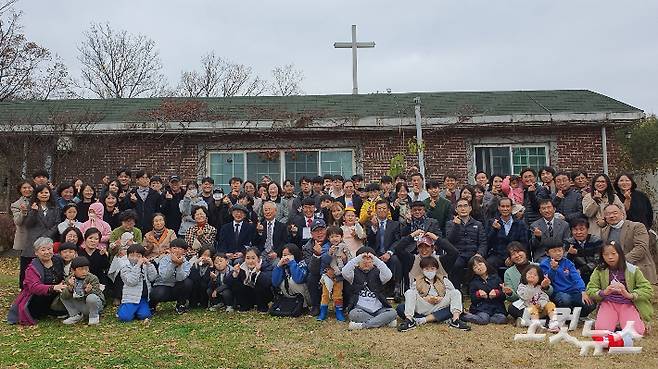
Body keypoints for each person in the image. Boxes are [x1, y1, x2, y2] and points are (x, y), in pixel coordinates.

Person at [586, 241, 654, 336]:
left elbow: (647, 289)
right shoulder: (599, 270)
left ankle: (622, 322)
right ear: (602, 256)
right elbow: (590, 289)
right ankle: (614, 322)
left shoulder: (632, 269)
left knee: (636, 332)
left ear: (620, 254)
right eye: (606, 254)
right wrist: (604, 292)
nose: (610, 257)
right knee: (602, 331)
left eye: (613, 254)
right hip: (608, 303)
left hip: (627, 303)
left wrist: (630, 295)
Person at [397, 252, 469, 332]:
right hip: (424, 306)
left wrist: (441, 298)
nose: (429, 271)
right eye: (426, 269)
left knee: (456, 293)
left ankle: (455, 320)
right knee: (403, 303)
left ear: (436, 269)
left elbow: (453, 294)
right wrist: (425, 298)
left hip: (440, 305)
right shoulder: (417, 281)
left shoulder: (444, 280)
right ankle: (410, 320)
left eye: (432, 268)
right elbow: (412, 297)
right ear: (422, 270)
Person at [7, 237, 66, 326]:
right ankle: (44, 311)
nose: (47, 252)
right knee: (38, 304)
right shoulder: (32, 268)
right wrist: (53, 287)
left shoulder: (58, 260)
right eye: (43, 250)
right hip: (36, 298)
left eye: (49, 249)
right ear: (36, 252)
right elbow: (34, 287)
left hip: (55, 293)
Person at [343, 247, 398, 330]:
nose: (366, 262)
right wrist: (358, 258)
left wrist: (375, 259)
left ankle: (362, 325)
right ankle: (384, 321)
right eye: (363, 260)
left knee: (393, 312)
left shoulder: (379, 273)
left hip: (379, 309)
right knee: (353, 314)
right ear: (358, 262)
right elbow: (344, 272)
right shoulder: (353, 274)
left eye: (369, 260)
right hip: (360, 309)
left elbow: (388, 275)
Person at [600, 203, 656, 284]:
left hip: (638, 269)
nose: (611, 216)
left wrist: (622, 261)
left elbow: (641, 247)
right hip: (617, 274)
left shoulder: (637, 226)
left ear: (622, 214)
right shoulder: (604, 231)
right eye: (608, 214)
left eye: (615, 213)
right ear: (605, 217)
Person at [21, 184, 60, 289]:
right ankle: (27, 288)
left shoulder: (55, 208)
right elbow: (27, 224)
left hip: (49, 238)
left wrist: (46, 236)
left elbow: (57, 224)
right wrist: (33, 211)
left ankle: (45, 286)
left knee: (47, 263)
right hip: (33, 240)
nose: (44, 194)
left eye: (46, 192)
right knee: (31, 265)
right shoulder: (31, 206)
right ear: (37, 195)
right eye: (41, 192)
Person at [540, 243, 595, 317]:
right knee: (565, 300)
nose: (558, 253)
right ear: (547, 253)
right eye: (554, 251)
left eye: (560, 250)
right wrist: (553, 269)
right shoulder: (544, 264)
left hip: (573, 292)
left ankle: (576, 316)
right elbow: (548, 281)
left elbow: (577, 278)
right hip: (558, 293)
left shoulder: (568, 263)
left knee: (590, 304)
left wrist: (583, 291)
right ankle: (563, 316)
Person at [501, 242, 552, 320]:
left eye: (518, 252)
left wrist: (546, 287)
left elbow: (550, 292)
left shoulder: (538, 266)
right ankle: (537, 318)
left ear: (524, 251)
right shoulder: (508, 273)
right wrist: (510, 293)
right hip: (523, 303)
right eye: (513, 254)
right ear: (510, 258)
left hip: (540, 301)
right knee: (512, 308)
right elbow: (513, 299)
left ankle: (529, 319)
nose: (517, 255)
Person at [446, 198, 487, 291]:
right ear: (456, 210)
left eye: (465, 206)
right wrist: (456, 226)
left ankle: (475, 289)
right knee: (455, 265)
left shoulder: (478, 224)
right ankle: (456, 292)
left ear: (470, 208)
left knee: (477, 264)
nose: (463, 208)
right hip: (458, 254)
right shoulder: (450, 224)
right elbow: (449, 240)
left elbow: (483, 243)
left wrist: (479, 254)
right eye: (460, 206)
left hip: (473, 254)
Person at [366, 200, 403, 300]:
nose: (382, 210)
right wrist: (374, 227)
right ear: (375, 210)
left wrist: (389, 253)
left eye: (384, 208)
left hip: (389, 253)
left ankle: (396, 288)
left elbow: (397, 241)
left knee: (396, 260)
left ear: (388, 211)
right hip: (376, 253)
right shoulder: (370, 224)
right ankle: (377, 289)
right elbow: (369, 241)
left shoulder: (395, 224)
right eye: (379, 208)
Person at [150, 238, 193, 314]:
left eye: (180, 249)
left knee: (188, 283)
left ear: (184, 251)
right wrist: (173, 264)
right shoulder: (164, 259)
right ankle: (152, 305)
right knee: (158, 294)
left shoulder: (186, 263)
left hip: (176, 287)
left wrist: (179, 265)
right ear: (170, 250)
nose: (177, 251)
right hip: (163, 285)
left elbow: (180, 278)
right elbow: (165, 277)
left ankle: (181, 304)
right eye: (174, 248)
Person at [117, 243, 158, 322]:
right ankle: (123, 308)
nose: (135, 258)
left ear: (142, 257)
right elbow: (132, 281)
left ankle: (136, 311)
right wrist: (138, 266)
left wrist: (149, 265)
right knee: (125, 318)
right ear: (127, 256)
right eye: (132, 255)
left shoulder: (145, 266)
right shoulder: (125, 268)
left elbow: (153, 277)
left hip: (143, 298)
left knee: (145, 315)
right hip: (131, 298)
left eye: (138, 256)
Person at [462, 255, 507, 325]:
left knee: (502, 319)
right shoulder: (473, 282)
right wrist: (478, 294)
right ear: (473, 271)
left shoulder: (496, 277)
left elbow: (503, 296)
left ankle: (487, 318)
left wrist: (497, 293)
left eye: (480, 264)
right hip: (481, 308)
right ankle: (464, 316)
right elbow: (472, 298)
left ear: (485, 263)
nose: (479, 268)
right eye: (475, 267)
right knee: (484, 319)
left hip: (496, 307)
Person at [485, 197, 528, 269]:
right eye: (502, 206)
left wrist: (512, 257)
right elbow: (488, 242)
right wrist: (494, 230)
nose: (505, 209)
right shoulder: (492, 222)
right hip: (497, 255)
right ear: (498, 207)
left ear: (511, 208)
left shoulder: (520, 223)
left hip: (515, 254)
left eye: (507, 206)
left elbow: (524, 243)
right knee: (489, 263)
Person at [60, 256, 105, 325]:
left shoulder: (92, 278)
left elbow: (98, 293)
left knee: (92, 297)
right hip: (80, 304)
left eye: (86, 269)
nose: (84, 272)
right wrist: (70, 287)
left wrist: (89, 291)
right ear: (73, 270)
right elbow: (64, 296)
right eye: (81, 269)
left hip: (94, 306)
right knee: (63, 294)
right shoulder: (70, 279)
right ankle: (75, 315)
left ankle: (94, 316)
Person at [318, 227, 351, 321]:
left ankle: (339, 312)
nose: (334, 239)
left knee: (338, 294)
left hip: (339, 276)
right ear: (328, 238)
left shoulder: (344, 247)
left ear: (341, 237)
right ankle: (323, 312)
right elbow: (324, 260)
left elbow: (349, 261)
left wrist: (344, 258)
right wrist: (329, 253)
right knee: (325, 294)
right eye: (332, 237)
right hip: (327, 275)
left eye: (337, 236)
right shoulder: (326, 247)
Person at [228, 247, 273, 312]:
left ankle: (262, 307)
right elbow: (227, 281)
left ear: (259, 258)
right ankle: (245, 305)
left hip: (264, 296)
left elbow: (267, 282)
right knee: (236, 283)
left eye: (253, 258)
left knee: (260, 282)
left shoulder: (266, 265)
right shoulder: (241, 266)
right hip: (249, 294)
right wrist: (235, 273)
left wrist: (258, 272)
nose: (250, 261)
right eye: (248, 258)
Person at [517, 264, 559, 332]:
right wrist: (530, 285)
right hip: (529, 311)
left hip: (541, 310)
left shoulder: (540, 287)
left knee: (550, 304)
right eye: (530, 273)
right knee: (532, 307)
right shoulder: (522, 286)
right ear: (525, 275)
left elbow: (544, 297)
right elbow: (526, 297)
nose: (532, 276)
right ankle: (536, 324)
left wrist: (541, 304)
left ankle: (553, 322)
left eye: (535, 275)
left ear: (539, 278)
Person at [302, 219, 329, 317]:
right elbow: (312, 269)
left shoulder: (333, 240)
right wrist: (316, 255)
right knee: (311, 277)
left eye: (322, 230)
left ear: (326, 230)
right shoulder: (307, 247)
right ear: (311, 234)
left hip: (334, 271)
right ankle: (316, 306)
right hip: (318, 273)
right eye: (316, 231)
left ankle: (344, 306)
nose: (319, 233)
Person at [272, 243, 311, 310]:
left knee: (293, 281)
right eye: (284, 255)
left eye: (289, 255)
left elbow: (298, 279)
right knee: (283, 282)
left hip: (305, 296)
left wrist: (292, 262)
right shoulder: (282, 265)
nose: (286, 257)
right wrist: (278, 267)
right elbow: (275, 283)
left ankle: (304, 306)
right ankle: (291, 304)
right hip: (289, 295)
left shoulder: (302, 263)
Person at [564, 217, 603, 284]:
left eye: (582, 229)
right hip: (576, 273)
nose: (578, 232)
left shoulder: (596, 240)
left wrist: (581, 270)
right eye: (575, 230)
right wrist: (570, 254)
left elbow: (598, 260)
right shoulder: (569, 242)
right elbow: (565, 262)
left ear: (587, 229)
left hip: (595, 271)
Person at [11, 180, 34, 259]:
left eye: (29, 187)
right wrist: (23, 212)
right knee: (26, 265)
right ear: (20, 190)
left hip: (39, 237)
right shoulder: (16, 204)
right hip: (25, 238)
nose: (27, 190)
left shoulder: (39, 200)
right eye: (24, 188)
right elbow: (17, 222)